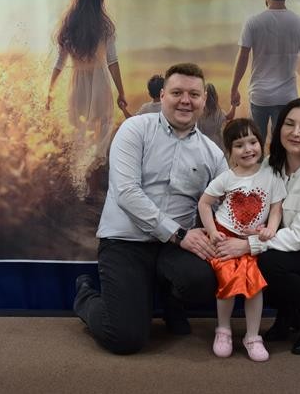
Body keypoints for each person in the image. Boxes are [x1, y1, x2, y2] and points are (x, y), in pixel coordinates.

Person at [74, 63, 228, 355]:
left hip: (175, 248)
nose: (185, 101)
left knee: (202, 280)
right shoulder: (135, 129)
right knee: (125, 338)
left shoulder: (213, 154)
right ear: (162, 95)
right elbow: (126, 193)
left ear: (204, 100)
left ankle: (171, 300)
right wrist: (178, 234)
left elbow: (222, 208)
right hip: (126, 241)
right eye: (177, 93)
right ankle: (84, 298)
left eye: (194, 94)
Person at [216, 98, 300, 355]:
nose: (295, 132)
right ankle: (288, 315)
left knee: (268, 262)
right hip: (288, 252)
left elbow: (299, 237)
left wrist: (246, 245)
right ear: (279, 128)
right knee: (251, 263)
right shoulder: (270, 165)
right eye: (289, 124)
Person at [198, 118, 285, 362]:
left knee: (253, 284)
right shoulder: (227, 178)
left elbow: (276, 207)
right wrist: (212, 232)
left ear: (261, 143)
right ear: (230, 151)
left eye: (252, 142)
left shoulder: (271, 174)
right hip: (225, 237)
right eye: (239, 145)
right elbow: (204, 203)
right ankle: (223, 330)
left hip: (252, 240)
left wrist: (271, 228)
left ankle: (252, 336)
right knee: (227, 277)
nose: (247, 149)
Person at [46, 0, 129, 174]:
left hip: (77, 86)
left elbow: (59, 63)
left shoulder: (68, 26)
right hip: (100, 82)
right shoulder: (105, 27)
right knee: (102, 127)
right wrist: (121, 92)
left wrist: (50, 91)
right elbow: (112, 61)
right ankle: (93, 175)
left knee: (79, 131)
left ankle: (79, 178)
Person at [230, 0, 300, 146]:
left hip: (259, 95)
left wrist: (234, 88)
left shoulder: (253, 23)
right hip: (287, 97)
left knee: (255, 144)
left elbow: (243, 58)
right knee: (282, 146)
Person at [197, 83, 236, 151]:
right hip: (217, 143)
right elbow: (229, 117)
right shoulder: (218, 112)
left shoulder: (199, 113)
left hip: (203, 143)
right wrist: (234, 105)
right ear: (215, 96)